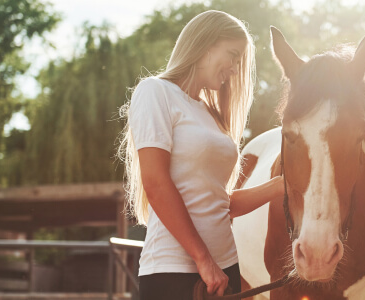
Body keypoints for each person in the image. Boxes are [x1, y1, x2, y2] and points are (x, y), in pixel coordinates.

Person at [118, 10, 284, 299]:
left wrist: (280, 185)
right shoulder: (155, 91)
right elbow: (156, 184)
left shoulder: (211, 115)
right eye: (232, 55)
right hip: (174, 271)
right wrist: (203, 260)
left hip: (225, 270)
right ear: (206, 44)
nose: (234, 68)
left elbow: (220, 203)